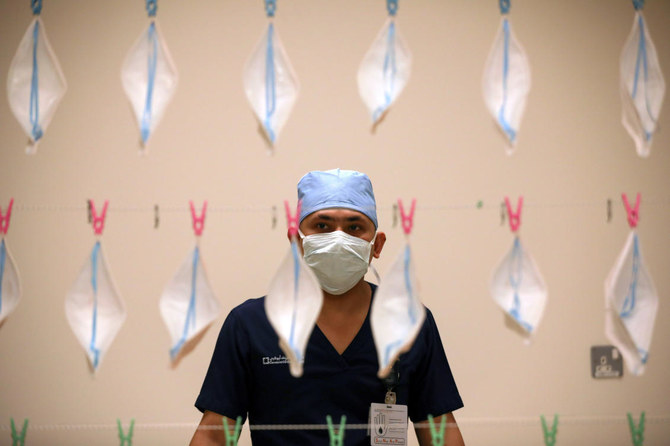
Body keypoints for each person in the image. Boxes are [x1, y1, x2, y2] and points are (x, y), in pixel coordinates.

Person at [190, 169, 464, 445]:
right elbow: (213, 437)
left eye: (354, 228)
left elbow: (441, 434)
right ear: (296, 241)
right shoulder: (251, 325)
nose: (338, 239)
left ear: (376, 245)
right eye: (322, 226)